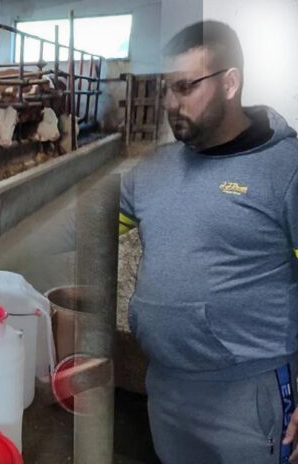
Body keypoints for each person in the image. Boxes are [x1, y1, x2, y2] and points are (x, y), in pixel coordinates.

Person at [119, 20, 298, 463]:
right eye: (166, 88)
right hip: (166, 389)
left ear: (230, 83)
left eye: (184, 87)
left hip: (248, 397)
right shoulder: (154, 171)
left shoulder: (285, 169)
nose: (169, 103)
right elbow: (86, 223)